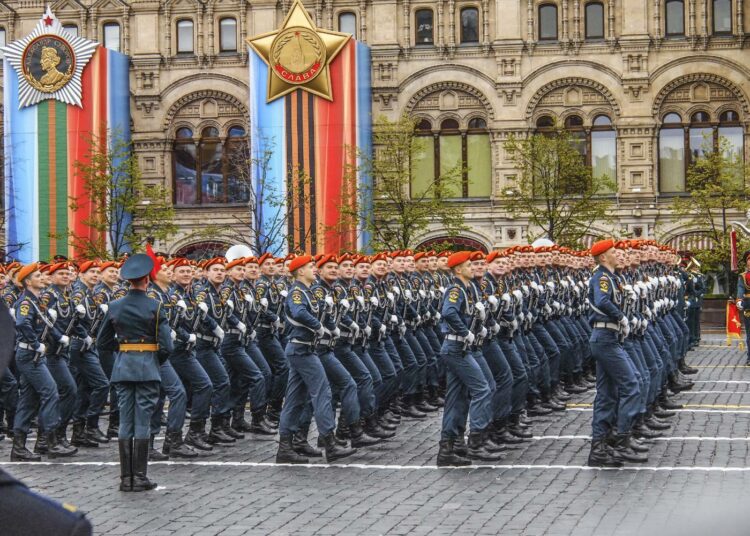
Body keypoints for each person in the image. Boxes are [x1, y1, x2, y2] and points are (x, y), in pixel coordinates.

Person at [97, 253, 174, 492]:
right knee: (142, 420)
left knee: (125, 421)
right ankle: (139, 476)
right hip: (147, 366)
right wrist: (153, 360)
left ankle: (126, 478)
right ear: (147, 281)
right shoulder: (156, 306)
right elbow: (166, 346)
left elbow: (102, 342)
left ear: (129, 280)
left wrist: (123, 354)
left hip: (123, 367)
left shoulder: (114, 306)